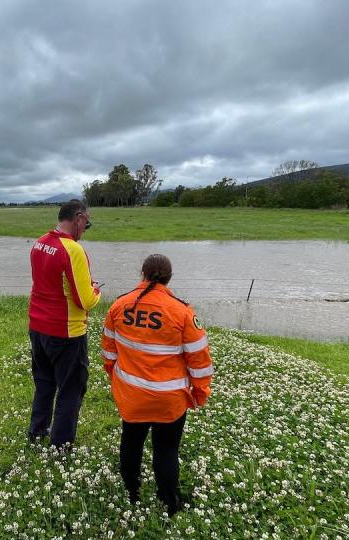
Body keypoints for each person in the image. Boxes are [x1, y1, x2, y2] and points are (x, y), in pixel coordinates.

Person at [101, 254, 212, 515]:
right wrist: (199, 393)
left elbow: (108, 353)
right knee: (166, 449)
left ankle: (131, 492)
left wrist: (119, 382)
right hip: (169, 400)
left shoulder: (119, 306)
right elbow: (200, 361)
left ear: (142, 274)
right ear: (169, 277)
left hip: (133, 396)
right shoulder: (182, 312)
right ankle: (169, 502)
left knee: (131, 442)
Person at [27, 199, 101, 448]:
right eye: (86, 224)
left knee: (45, 383)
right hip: (67, 332)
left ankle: (37, 433)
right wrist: (96, 291)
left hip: (37, 328)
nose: (85, 229)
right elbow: (85, 300)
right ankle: (61, 445)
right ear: (78, 218)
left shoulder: (39, 243)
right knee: (71, 390)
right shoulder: (73, 250)